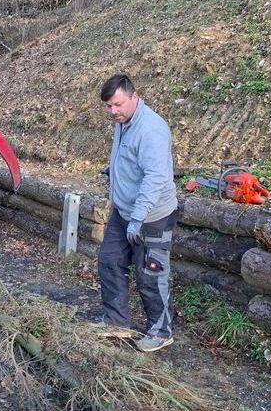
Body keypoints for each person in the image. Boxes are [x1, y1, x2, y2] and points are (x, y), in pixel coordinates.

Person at [95, 73, 179, 352]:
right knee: (109, 260)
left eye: (117, 104)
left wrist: (139, 218)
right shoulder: (124, 122)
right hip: (125, 212)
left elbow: (156, 178)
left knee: (151, 274)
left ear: (135, 97)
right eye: (109, 106)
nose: (113, 111)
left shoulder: (151, 129)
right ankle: (116, 323)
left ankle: (161, 331)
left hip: (151, 216)